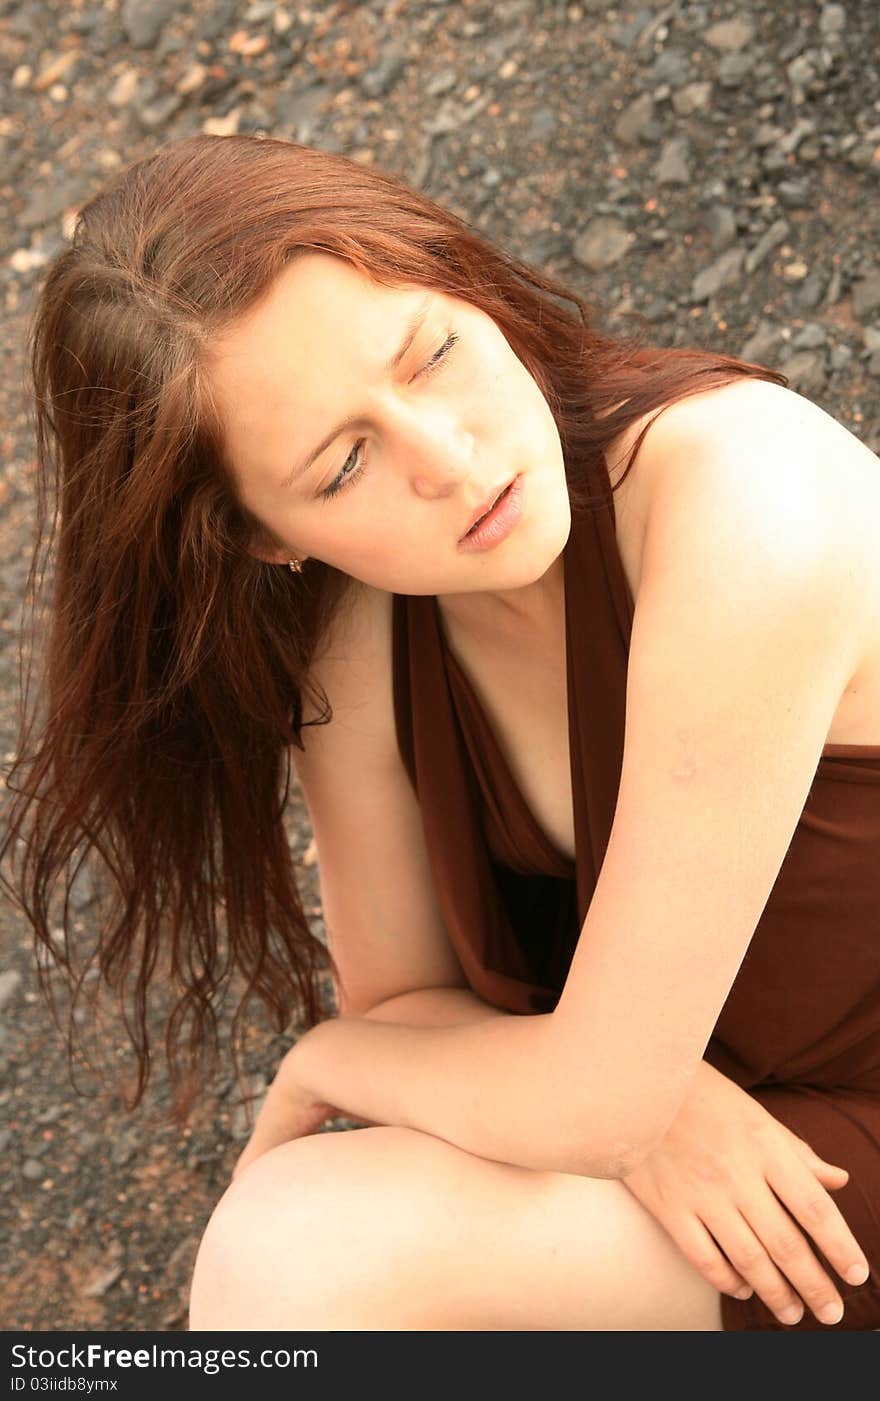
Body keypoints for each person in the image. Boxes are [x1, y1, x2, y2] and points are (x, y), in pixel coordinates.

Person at [2, 132, 878, 1333]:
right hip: (749, 1174)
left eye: (432, 355)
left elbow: (536, 1087)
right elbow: (418, 1003)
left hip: (820, 1187)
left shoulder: (749, 495)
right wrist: (638, 1099)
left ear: (464, 282)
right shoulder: (361, 637)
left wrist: (331, 1063)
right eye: (343, 462)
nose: (451, 461)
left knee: (296, 1255)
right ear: (266, 539)